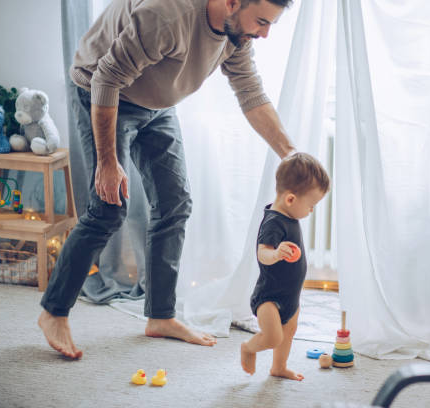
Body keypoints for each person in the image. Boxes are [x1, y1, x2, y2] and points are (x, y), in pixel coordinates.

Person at [38, 0, 296, 359]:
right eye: (263, 22)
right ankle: (54, 311)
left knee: (175, 204)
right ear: (233, 2)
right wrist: (108, 163)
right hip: (103, 93)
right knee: (109, 207)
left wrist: (291, 153)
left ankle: (160, 316)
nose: (265, 34)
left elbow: (251, 94)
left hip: (155, 106)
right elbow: (107, 77)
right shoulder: (168, 14)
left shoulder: (236, 34)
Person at [240, 152, 330, 381]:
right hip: (269, 297)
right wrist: (276, 253)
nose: (311, 211)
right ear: (290, 199)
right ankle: (249, 348)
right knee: (273, 338)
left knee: (288, 333)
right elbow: (262, 253)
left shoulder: (290, 217)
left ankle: (278, 367)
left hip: (290, 295)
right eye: (311, 205)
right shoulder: (273, 221)